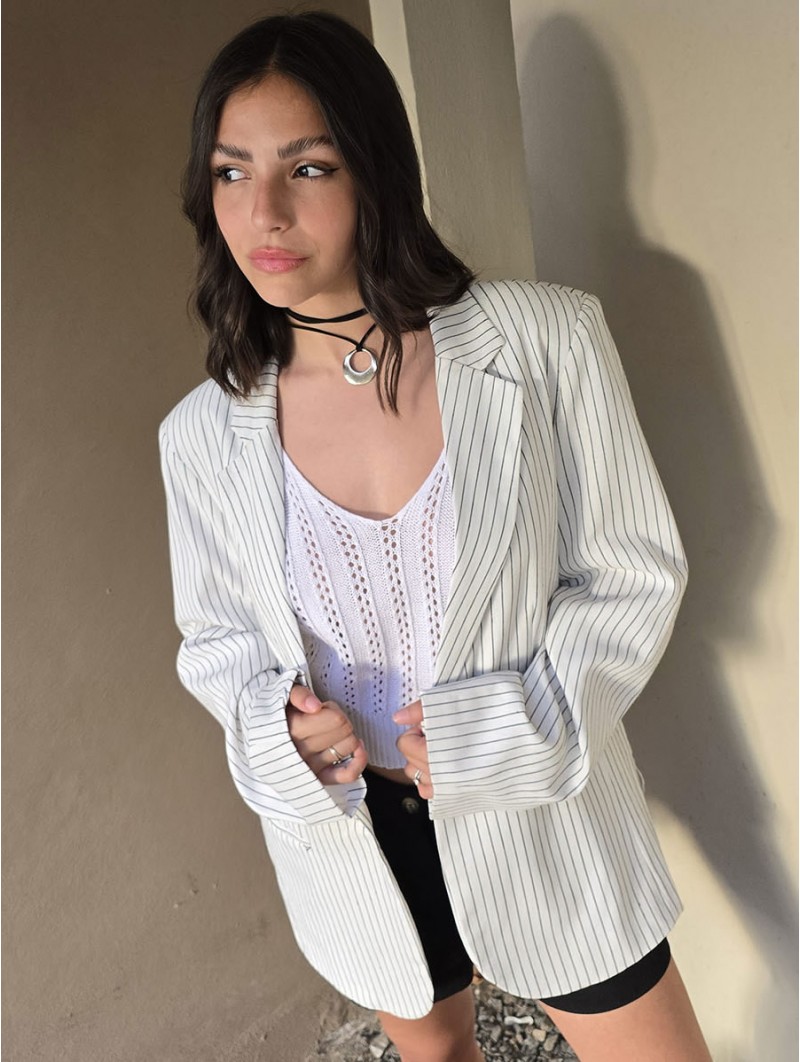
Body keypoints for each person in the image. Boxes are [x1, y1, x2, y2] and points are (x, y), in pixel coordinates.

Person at [159, 12, 713, 1061]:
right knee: (440, 1053)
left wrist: (507, 731)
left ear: (373, 168)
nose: (263, 212)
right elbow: (218, 642)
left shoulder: (543, 341)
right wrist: (276, 734)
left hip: (542, 812)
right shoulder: (200, 436)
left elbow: (631, 573)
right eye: (231, 172)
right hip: (357, 834)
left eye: (307, 167)